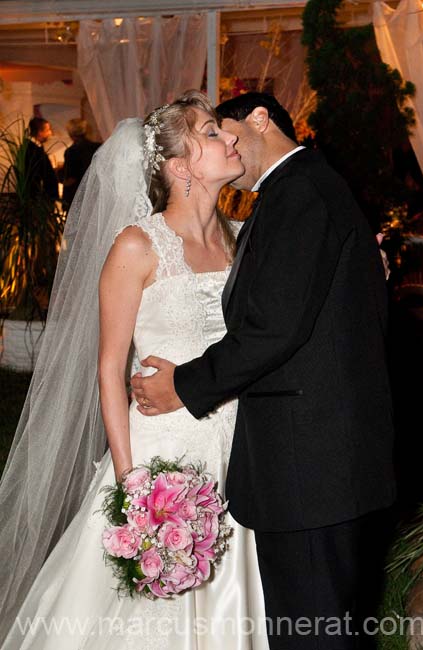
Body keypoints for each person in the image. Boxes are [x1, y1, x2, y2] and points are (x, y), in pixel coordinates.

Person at [0, 91, 269, 649]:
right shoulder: (137, 245)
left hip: (243, 453)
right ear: (180, 166)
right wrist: (132, 487)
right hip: (164, 460)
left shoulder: (244, 241)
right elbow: (107, 369)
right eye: (214, 133)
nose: (232, 139)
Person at [131, 92, 396, 650]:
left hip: (312, 468)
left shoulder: (299, 192)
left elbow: (273, 328)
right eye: (212, 136)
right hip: (312, 464)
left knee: (314, 634)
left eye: (226, 131)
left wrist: (182, 384)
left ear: (259, 120)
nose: (226, 143)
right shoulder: (298, 191)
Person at [62, 118, 100, 209]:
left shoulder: (71, 151)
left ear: (70, 133)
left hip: (78, 195)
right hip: (95, 193)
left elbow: (71, 178)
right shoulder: (98, 147)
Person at [24, 117, 59, 201]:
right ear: (40, 132)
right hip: (38, 200)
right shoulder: (31, 149)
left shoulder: (36, 147)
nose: (50, 133)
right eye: (48, 130)